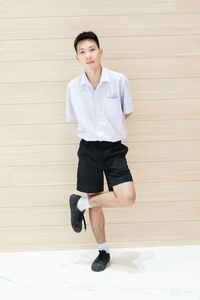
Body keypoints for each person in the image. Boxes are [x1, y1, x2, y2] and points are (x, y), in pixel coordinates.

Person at [66, 31, 136, 272]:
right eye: (82, 51)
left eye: (92, 49)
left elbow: (126, 111)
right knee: (96, 205)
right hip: (88, 149)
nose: (88, 54)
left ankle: (79, 203)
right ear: (77, 57)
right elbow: (74, 117)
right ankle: (103, 251)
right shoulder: (73, 87)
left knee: (127, 197)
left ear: (100, 51)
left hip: (114, 148)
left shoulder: (119, 80)